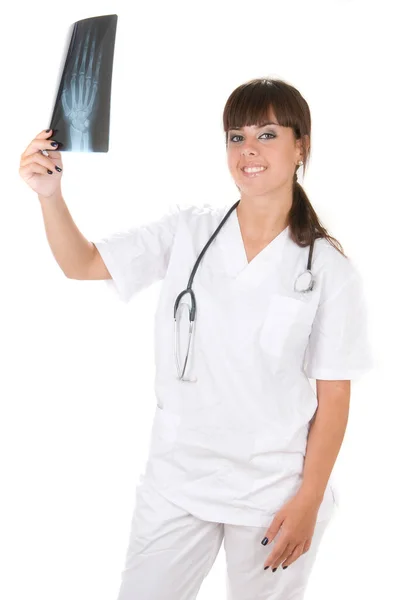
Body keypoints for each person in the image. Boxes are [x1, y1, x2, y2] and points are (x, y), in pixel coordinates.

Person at [19, 77, 373, 600]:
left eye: (267, 135)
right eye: (236, 137)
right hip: (177, 483)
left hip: (271, 495)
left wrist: (309, 501)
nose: (248, 150)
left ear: (302, 147)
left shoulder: (328, 270)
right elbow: (83, 263)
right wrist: (50, 195)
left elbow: (335, 396)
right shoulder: (189, 231)